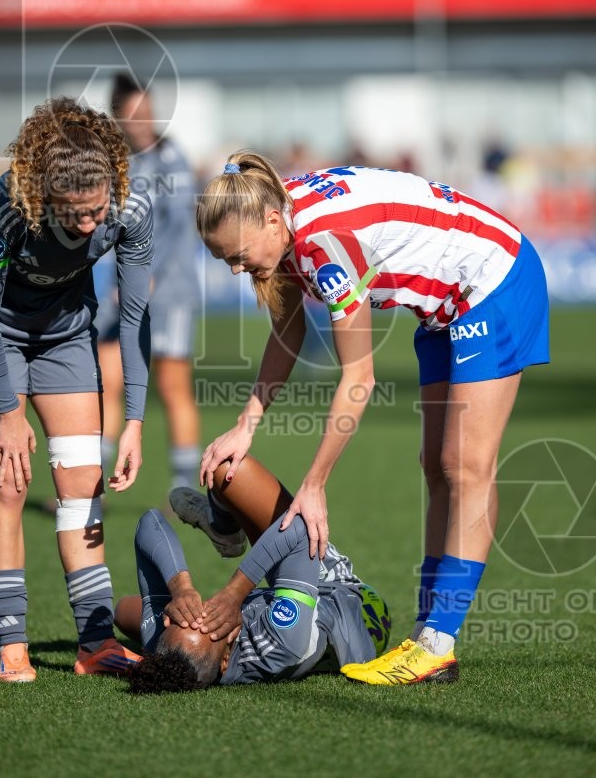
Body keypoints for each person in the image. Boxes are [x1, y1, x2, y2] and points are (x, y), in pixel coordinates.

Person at [195, 152, 549, 686]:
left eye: (240, 257)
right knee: (435, 464)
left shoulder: (324, 246)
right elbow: (288, 331)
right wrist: (247, 422)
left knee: (466, 464)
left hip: (492, 281)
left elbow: (359, 378)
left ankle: (437, 645)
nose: (239, 270)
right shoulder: (275, 214)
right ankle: (428, 632)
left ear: (271, 222)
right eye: (228, 263)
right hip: (441, 307)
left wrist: (315, 484)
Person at [0, 97, 152, 682]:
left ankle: (94, 642)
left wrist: (134, 419)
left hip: (65, 339)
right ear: (43, 198)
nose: (90, 226)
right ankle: (11, 642)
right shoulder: (7, 209)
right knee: (8, 485)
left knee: (82, 486)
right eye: (74, 214)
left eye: (97, 211)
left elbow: (135, 317)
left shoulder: (133, 209)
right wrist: (7, 411)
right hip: (1, 338)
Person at [114, 454, 391, 693]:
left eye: (185, 619)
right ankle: (223, 526)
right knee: (225, 469)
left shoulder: (163, 641)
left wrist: (181, 588)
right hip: (352, 604)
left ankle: (224, 528)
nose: (200, 614)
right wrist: (234, 594)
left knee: (125, 614)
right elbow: (298, 528)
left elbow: (151, 523)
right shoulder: (280, 642)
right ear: (225, 662)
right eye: (208, 628)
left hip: (202, 635)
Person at [94, 74, 202, 496]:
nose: (143, 122)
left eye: (149, 113)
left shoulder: (171, 159)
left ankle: (183, 491)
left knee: (172, 387)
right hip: (121, 291)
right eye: (134, 114)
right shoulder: (115, 159)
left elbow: (179, 232)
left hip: (169, 294)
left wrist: (147, 274)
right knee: (106, 382)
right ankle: (92, 484)